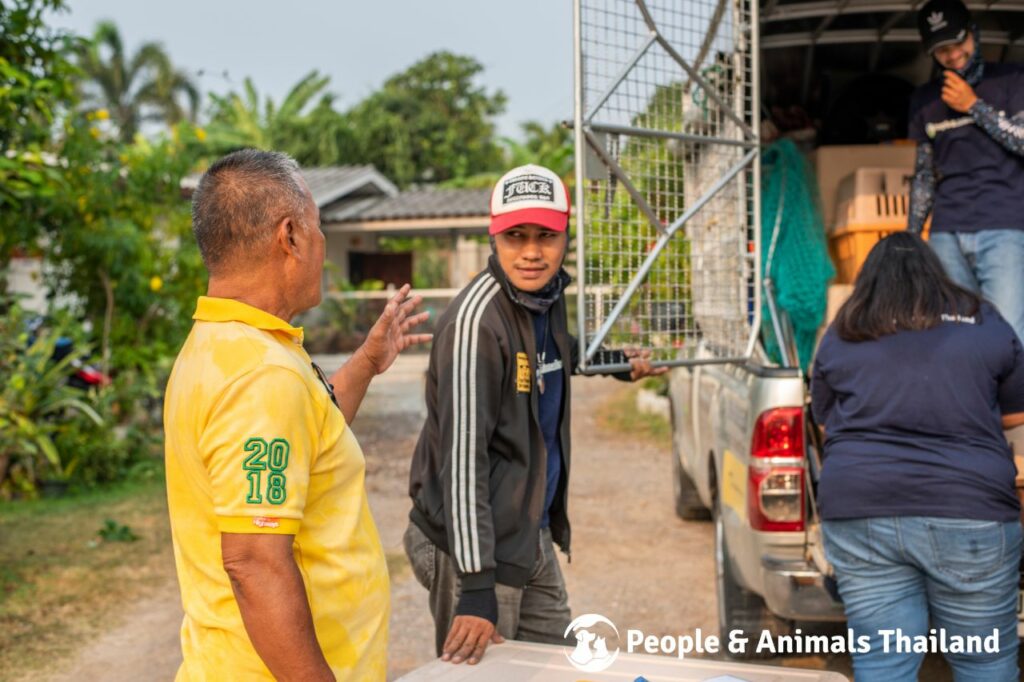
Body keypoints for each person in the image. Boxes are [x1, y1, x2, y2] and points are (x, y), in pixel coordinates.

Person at [164, 149, 430, 681]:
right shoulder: (260, 375)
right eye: (318, 225)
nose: (323, 243)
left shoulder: (229, 346)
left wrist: (367, 363)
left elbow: (309, 433)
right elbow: (255, 562)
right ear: (289, 236)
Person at [404, 164, 666, 665]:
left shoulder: (544, 297)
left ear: (564, 236)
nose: (530, 251)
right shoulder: (476, 325)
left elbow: (552, 349)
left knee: (552, 666)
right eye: (515, 236)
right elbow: (461, 464)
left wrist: (610, 362)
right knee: (486, 676)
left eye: (545, 236)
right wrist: (476, 587)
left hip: (528, 531)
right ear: (494, 235)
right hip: (472, 547)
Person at [811, 232, 1024, 682]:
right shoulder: (983, 320)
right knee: (983, 660)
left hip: (861, 512)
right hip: (968, 509)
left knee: (883, 663)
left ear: (869, 281)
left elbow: (828, 423)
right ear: (935, 275)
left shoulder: (843, 331)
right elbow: (1015, 412)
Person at [907, 0, 1024, 342]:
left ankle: (1013, 399)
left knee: (1008, 337)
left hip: (1005, 227)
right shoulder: (924, 99)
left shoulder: (1012, 81)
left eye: (958, 42)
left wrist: (972, 105)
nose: (953, 54)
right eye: (942, 49)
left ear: (974, 33)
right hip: (946, 232)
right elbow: (924, 175)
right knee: (954, 338)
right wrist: (911, 238)